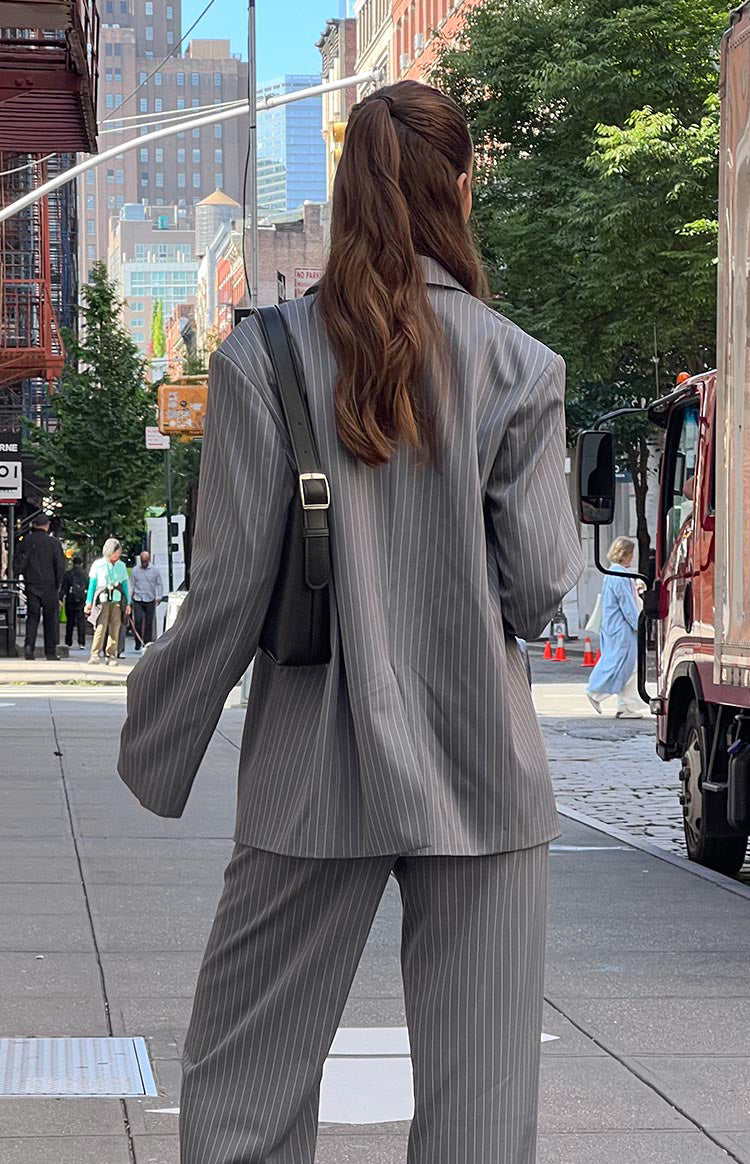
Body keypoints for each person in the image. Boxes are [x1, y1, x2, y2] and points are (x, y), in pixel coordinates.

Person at [118, 80, 583, 1164]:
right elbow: (545, 589)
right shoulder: (520, 367)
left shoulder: (259, 360)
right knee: (481, 1119)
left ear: (343, 199)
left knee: (241, 1095)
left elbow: (229, 593)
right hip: (484, 776)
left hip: (307, 773)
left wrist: (158, 736)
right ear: (461, 192)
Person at [585, 536, 644, 719]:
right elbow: (627, 604)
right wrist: (638, 623)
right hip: (622, 629)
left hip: (614, 627)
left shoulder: (613, 573)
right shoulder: (621, 576)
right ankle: (596, 691)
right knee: (620, 664)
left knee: (628, 665)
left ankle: (625, 705)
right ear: (625, 554)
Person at [14, 514, 65, 661]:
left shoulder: (26, 542)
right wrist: (58, 586)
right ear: (47, 526)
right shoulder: (53, 543)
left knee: (32, 617)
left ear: (34, 525)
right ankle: (50, 652)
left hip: (31, 584)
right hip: (49, 586)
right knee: (50, 619)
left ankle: (29, 648)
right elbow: (60, 566)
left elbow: (17, 563)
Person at [84, 538, 130, 666]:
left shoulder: (121, 566)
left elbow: (125, 585)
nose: (118, 554)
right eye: (115, 551)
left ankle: (111, 655)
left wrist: (128, 603)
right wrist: (88, 602)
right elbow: (92, 585)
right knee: (100, 627)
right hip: (102, 601)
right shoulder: (98, 565)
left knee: (115, 629)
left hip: (117, 601)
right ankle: (95, 654)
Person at [129, 550, 165, 650]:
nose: (144, 563)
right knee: (138, 621)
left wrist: (159, 597)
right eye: (142, 561)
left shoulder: (155, 570)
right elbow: (131, 584)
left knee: (149, 622)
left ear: (148, 560)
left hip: (150, 598)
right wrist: (129, 598)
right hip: (138, 598)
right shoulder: (135, 570)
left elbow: (159, 584)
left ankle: (147, 642)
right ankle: (138, 641)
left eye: (145, 561)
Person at [60, 555, 88, 649]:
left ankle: (68, 641)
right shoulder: (85, 574)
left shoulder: (68, 574)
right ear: (81, 564)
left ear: (73, 563)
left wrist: (60, 599)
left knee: (70, 621)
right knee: (81, 622)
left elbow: (64, 588)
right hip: (82, 600)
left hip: (70, 600)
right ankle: (82, 643)